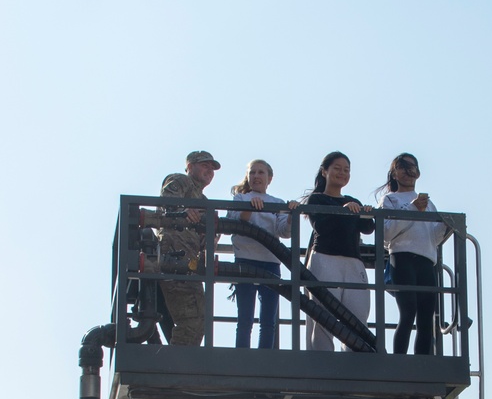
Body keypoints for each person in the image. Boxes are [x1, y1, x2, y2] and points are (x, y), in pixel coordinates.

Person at [302, 152, 374, 351]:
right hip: (324, 259)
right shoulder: (316, 199)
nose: (342, 173)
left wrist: (365, 214)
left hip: (352, 262)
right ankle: (321, 362)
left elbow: (368, 228)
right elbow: (322, 226)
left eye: (346, 170)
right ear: (325, 171)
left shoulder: (353, 200)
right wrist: (346, 211)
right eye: (337, 168)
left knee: (357, 317)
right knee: (323, 316)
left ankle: (355, 360)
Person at [378, 153, 448, 355]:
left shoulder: (430, 204)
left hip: (426, 261)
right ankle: (399, 359)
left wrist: (444, 226)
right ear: (394, 173)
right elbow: (386, 233)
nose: (408, 172)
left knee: (427, 317)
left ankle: (423, 361)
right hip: (402, 257)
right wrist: (412, 209)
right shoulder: (390, 199)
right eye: (403, 167)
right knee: (408, 311)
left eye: (412, 167)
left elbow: (433, 238)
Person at [157, 150, 220, 346]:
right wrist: (183, 211)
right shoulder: (180, 181)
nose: (209, 170)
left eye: (212, 168)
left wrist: (211, 234)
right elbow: (166, 203)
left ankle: (179, 361)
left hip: (190, 265)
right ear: (190, 167)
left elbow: (211, 236)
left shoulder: (204, 202)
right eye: (204, 165)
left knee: (200, 317)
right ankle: (176, 364)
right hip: (174, 259)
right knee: (192, 319)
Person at [226, 159, 290, 350]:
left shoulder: (277, 203)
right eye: (252, 172)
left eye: (261, 172)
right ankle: (242, 356)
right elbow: (234, 223)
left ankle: (265, 357)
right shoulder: (240, 199)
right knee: (245, 318)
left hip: (270, 262)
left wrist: (292, 215)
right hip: (244, 260)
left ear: (269, 178)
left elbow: (283, 232)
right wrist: (249, 208)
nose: (256, 176)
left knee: (268, 320)